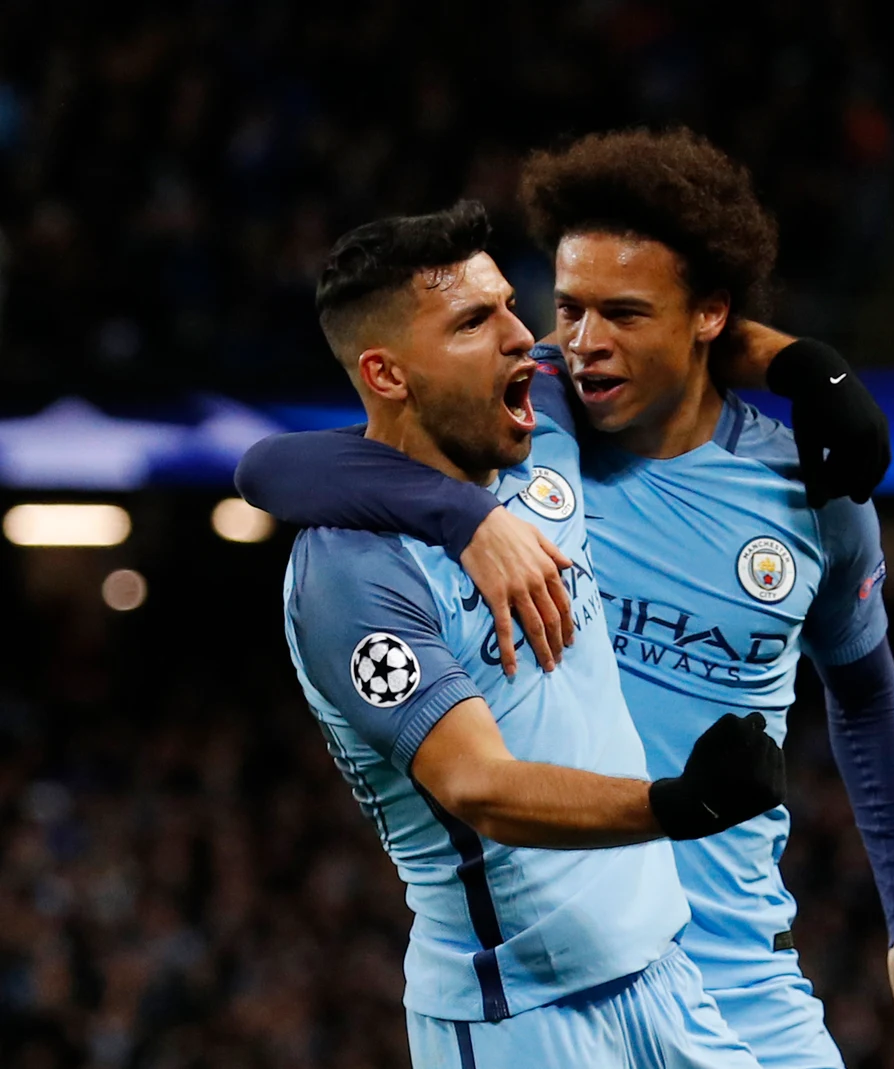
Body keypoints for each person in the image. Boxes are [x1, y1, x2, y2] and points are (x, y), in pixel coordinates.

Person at [240, 128, 894, 1069]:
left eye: (615, 314)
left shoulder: (784, 492)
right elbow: (269, 463)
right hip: (530, 995)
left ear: (706, 316)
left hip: (713, 975)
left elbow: (867, 692)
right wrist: (461, 516)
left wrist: (805, 365)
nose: (562, 344)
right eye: (563, 311)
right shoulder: (485, 471)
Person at [284, 199, 790, 1068]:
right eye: (475, 321)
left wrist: (812, 372)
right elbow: (478, 783)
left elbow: (675, 338)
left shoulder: (541, 426)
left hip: (666, 972)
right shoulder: (352, 577)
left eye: (511, 305)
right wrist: (675, 803)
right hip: (520, 1014)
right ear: (388, 372)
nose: (525, 337)